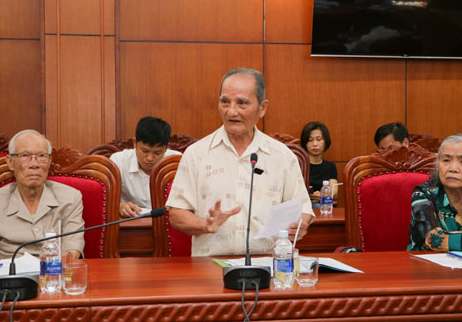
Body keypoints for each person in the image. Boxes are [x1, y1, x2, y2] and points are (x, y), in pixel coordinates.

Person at [166, 68, 314, 256]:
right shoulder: (197, 154)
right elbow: (176, 214)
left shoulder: (282, 156)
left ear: (262, 108)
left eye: (241, 103)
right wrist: (205, 224)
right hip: (210, 265)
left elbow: (303, 209)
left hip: (267, 264)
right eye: (225, 102)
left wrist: (299, 225)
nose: (231, 111)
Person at [0, 130, 84, 263]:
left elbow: (72, 251)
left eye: (41, 156)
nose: (34, 164)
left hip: (52, 272)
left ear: (49, 161)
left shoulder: (70, 198)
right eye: (25, 156)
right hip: (8, 273)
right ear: (10, 162)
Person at [110, 116, 181, 218]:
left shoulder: (176, 162)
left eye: (157, 153)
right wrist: (119, 206)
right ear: (135, 143)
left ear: (166, 147)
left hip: (166, 221)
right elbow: (106, 200)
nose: (150, 158)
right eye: (145, 151)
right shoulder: (119, 162)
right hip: (130, 222)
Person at [300, 121, 338, 203]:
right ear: (305, 143)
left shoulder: (330, 167)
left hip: (323, 205)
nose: (315, 144)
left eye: (319, 139)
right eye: (310, 140)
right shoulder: (299, 165)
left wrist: (322, 195)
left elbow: (334, 193)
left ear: (325, 141)